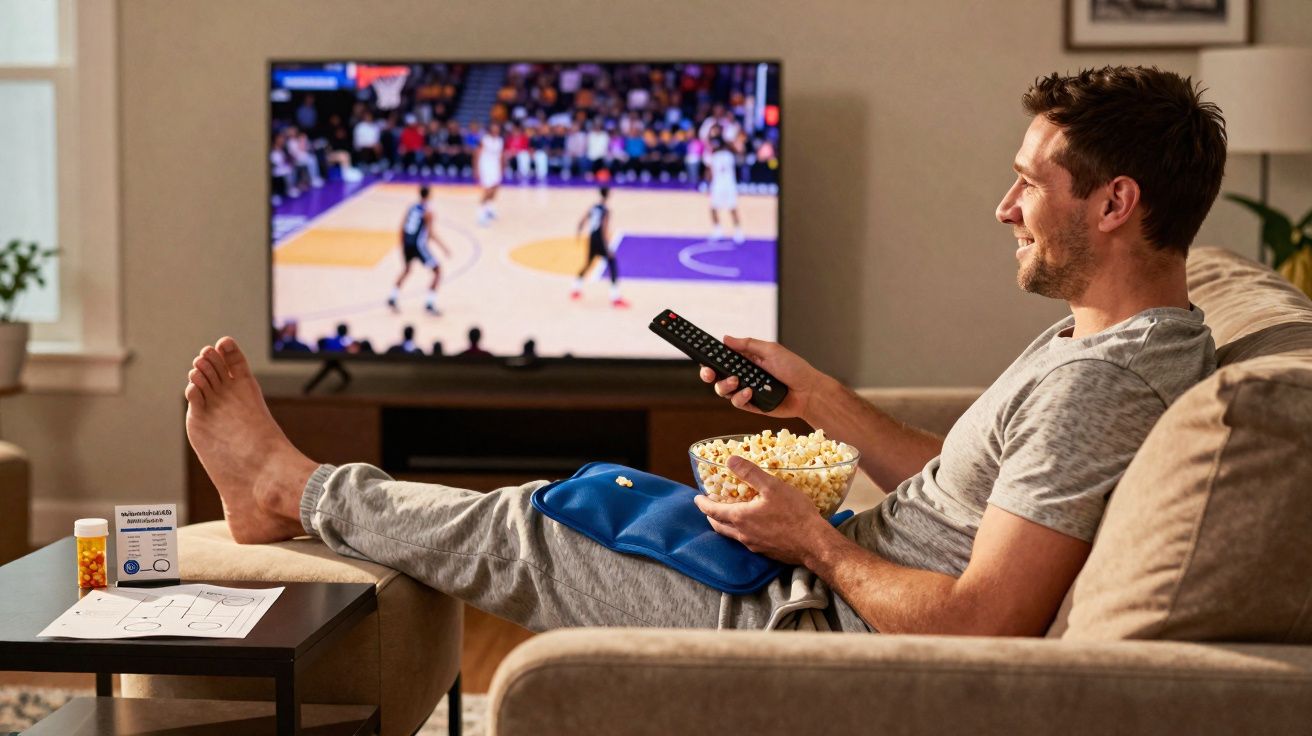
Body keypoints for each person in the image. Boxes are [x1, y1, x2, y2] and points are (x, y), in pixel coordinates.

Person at [183, 66, 1222, 635]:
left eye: (1030, 183)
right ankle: (294, 489)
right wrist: (815, 397)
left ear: (1114, 204)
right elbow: (963, 485)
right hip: (835, 568)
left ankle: (286, 485)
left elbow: (980, 622)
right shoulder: (1108, 337)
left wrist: (809, 542)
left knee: (523, 525)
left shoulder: (1106, 382)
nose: (1003, 206)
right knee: (594, 494)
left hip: (811, 613)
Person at [388, 185, 453, 316]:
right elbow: (431, 234)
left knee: (406, 270)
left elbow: (402, 227)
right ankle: (429, 304)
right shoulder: (428, 212)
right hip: (418, 246)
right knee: (437, 271)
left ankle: (393, 297)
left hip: (407, 243)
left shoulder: (411, 207)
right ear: (429, 195)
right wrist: (444, 248)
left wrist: (402, 244)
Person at [570, 187, 627, 308]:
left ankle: (575, 288)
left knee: (588, 264)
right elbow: (604, 229)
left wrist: (578, 235)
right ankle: (615, 297)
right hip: (600, 240)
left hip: (592, 239)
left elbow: (581, 222)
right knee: (612, 263)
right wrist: (607, 247)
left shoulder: (593, 207)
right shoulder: (606, 211)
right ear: (608, 195)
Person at [706, 128, 745, 243]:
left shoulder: (715, 156)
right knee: (727, 208)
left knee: (719, 208)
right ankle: (735, 232)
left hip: (722, 185)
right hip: (726, 185)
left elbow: (709, 173)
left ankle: (721, 230)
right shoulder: (728, 155)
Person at [475, 121, 505, 226]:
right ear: (490, 130)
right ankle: (480, 214)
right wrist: (476, 169)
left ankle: (489, 209)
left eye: (497, 129)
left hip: (495, 167)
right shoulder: (484, 140)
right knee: (487, 191)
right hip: (485, 167)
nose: (495, 130)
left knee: (495, 190)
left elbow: (501, 156)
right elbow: (477, 154)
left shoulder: (500, 141)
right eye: (493, 128)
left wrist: (502, 168)